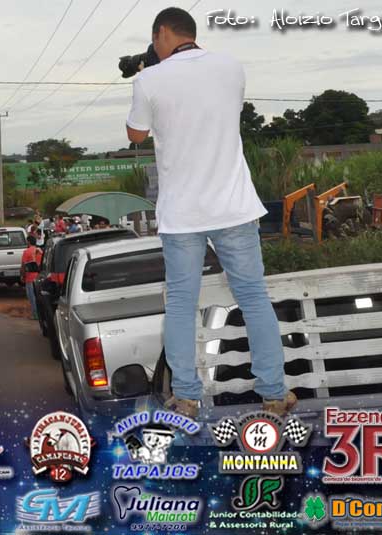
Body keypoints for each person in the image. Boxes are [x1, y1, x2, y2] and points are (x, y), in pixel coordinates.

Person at [126, 7, 294, 418]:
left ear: (161, 33)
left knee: (182, 304)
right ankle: (274, 393)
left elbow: (136, 134)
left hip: (183, 213)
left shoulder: (148, 80)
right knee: (254, 298)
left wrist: (146, 73)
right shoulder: (231, 67)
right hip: (234, 206)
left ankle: (186, 397)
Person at [20, 235, 43, 320]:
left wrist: (22, 276)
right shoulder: (40, 251)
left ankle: (35, 315)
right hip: (39, 277)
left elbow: (23, 266)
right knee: (38, 296)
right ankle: (40, 314)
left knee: (31, 296)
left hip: (30, 277)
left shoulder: (27, 252)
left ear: (29, 242)